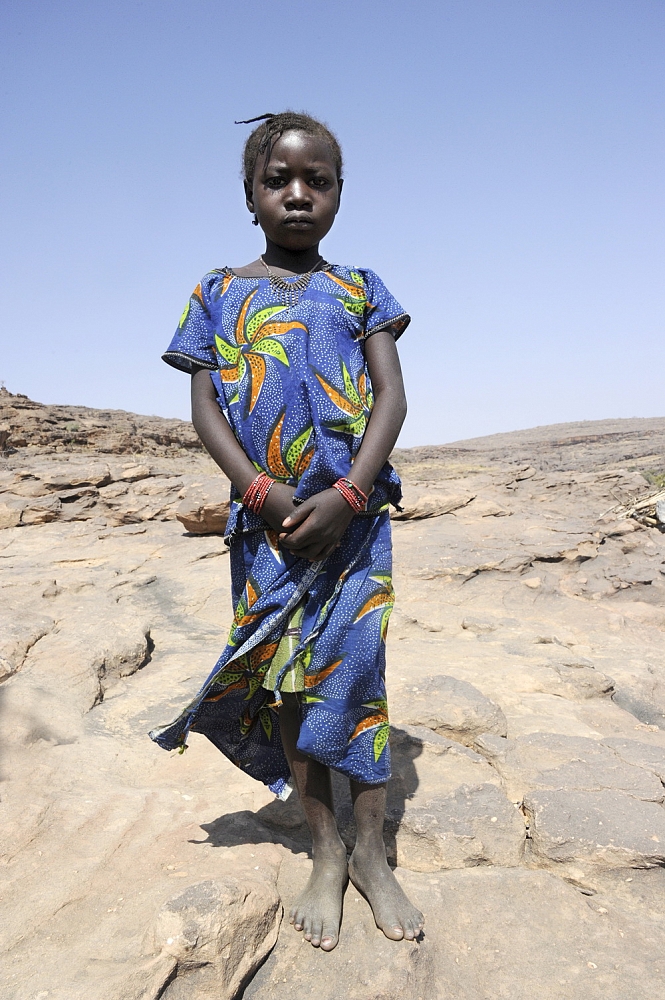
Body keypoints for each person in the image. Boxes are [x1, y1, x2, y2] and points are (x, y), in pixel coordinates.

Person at [150, 111, 424, 951]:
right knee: (289, 688)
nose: (298, 195)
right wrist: (260, 492)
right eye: (279, 181)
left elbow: (392, 398)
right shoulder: (215, 292)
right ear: (250, 196)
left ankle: (373, 854)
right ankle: (324, 851)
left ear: (340, 193)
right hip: (264, 530)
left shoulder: (361, 288)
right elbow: (203, 404)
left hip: (353, 525)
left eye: (318, 181)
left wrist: (348, 491)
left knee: (356, 685)